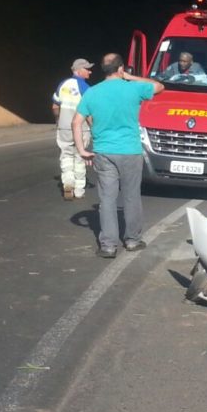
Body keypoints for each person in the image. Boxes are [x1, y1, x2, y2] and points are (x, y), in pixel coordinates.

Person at [73, 53, 164, 258]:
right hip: (130, 151)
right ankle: (132, 240)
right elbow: (159, 86)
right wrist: (130, 78)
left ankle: (108, 245)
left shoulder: (92, 92)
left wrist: (82, 150)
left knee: (107, 199)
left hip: (104, 152)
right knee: (131, 196)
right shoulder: (132, 88)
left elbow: (76, 122)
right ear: (121, 69)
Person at [52, 58, 93, 200]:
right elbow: (88, 112)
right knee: (80, 157)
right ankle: (79, 190)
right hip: (81, 129)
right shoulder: (86, 88)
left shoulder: (62, 85)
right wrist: (94, 127)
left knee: (66, 155)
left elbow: (55, 106)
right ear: (79, 70)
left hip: (64, 128)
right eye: (87, 69)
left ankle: (68, 182)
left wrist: (58, 121)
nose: (90, 71)